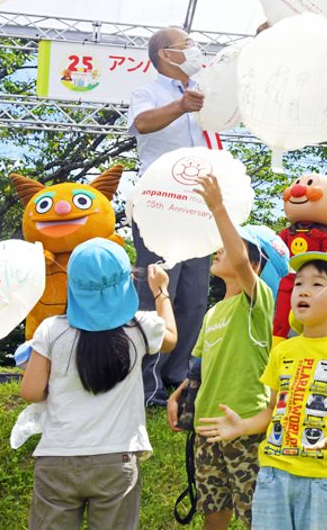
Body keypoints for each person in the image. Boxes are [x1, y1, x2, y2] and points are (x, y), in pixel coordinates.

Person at [196, 252, 327, 530]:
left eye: (317, 285)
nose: (303, 291)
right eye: (299, 284)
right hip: (272, 475)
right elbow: (272, 411)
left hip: (322, 478)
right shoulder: (283, 352)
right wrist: (243, 426)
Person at [20, 238, 177, 529]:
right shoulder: (140, 326)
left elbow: (30, 391)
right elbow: (170, 337)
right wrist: (161, 291)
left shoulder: (51, 330)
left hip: (58, 457)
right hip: (116, 459)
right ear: (127, 281)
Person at [165, 174, 289, 529]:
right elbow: (200, 365)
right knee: (213, 513)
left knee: (256, 517)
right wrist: (178, 396)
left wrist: (218, 208)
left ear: (256, 263)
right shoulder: (214, 311)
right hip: (207, 427)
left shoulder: (258, 301)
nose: (219, 249)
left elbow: (239, 261)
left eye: (231, 246)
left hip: (245, 426)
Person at [129, 26, 211, 406]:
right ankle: (145, 383)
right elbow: (142, 124)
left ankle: (176, 379)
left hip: (199, 204)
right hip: (160, 203)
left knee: (194, 295)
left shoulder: (204, 86)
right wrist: (181, 106)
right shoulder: (149, 91)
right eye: (187, 45)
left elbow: (238, 77)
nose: (194, 50)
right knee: (158, 288)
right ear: (166, 53)